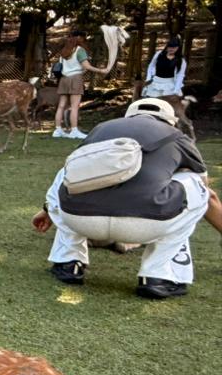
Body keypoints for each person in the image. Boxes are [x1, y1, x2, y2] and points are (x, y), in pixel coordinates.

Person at [32, 97, 211, 299]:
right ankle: (159, 277)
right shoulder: (177, 136)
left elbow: (72, 171)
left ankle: (68, 262)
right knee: (195, 182)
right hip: (148, 222)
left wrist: (48, 208)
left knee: (66, 171)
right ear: (170, 121)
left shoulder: (101, 129)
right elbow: (205, 183)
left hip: (80, 218)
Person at [50, 29, 103, 139]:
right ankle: (74, 131)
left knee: (61, 106)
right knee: (74, 106)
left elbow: (62, 66)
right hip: (75, 79)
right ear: (80, 38)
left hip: (64, 79)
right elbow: (87, 66)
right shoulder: (80, 50)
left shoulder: (64, 50)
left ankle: (57, 130)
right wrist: (102, 70)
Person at [141, 34, 185, 99]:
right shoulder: (159, 54)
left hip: (170, 84)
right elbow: (151, 66)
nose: (171, 49)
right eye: (170, 47)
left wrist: (176, 90)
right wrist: (148, 79)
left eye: (174, 47)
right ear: (167, 47)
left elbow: (180, 75)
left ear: (178, 48)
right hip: (156, 82)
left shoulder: (181, 60)